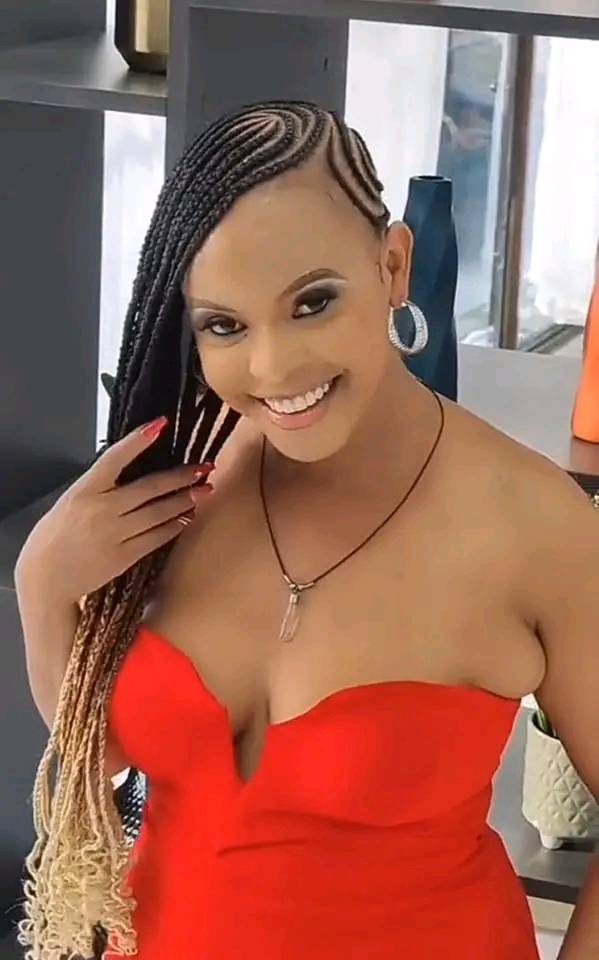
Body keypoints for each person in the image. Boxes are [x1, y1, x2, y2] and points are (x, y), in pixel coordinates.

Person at [13, 100, 599, 960]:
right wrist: (42, 588)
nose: (273, 367)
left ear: (392, 266)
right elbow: (98, 757)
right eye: (224, 324)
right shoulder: (177, 482)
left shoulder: (534, 525)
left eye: (313, 302)